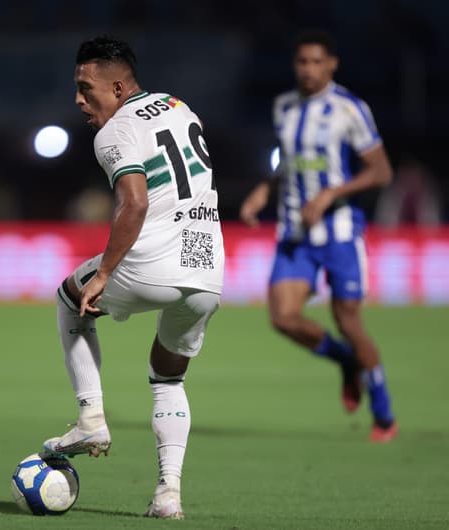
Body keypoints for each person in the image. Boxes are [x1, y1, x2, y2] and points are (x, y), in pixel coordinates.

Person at [41, 36, 224, 519]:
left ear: (118, 86)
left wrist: (103, 273)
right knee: (168, 376)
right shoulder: (179, 106)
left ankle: (91, 418)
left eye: (86, 87)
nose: (79, 99)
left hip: (151, 262)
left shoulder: (113, 132)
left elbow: (135, 202)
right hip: (207, 266)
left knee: (69, 298)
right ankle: (168, 495)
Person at [239, 30, 397, 442]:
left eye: (315, 62)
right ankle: (346, 362)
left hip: (340, 233)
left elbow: (381, 171)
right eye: (301, 62)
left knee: (348, 320)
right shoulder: (285, 107)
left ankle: (384, 413)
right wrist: (263, 191)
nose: (308, 69)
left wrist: (331, 192)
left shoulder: (350, 109)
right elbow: (287, 164)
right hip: (294, 232)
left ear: (332, 64)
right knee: (283, 318)